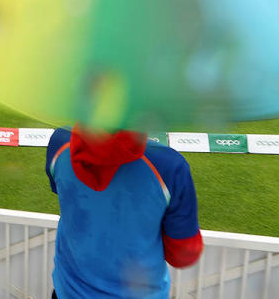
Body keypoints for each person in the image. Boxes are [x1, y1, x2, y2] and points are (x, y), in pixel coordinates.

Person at [46, 127, 202, 298]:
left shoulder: (59, 142)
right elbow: (183, 255)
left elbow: (66, 194)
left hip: (68, 292)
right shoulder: (169, 166)